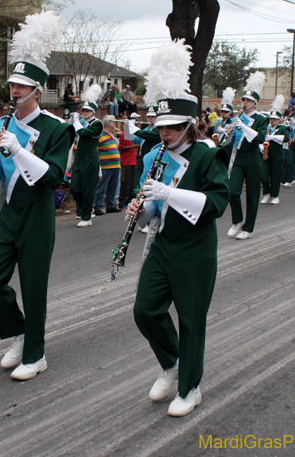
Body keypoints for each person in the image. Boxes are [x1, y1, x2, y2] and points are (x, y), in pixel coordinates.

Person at [127, 39, 229, 417]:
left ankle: (190, 386)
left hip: (196, 249)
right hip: (163, 243)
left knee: (190, 319)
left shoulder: (208, 155)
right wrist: (141, 209)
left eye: (172, 128)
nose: (164, 134)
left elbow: (217, 203)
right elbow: (152, 206)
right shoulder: (152, 154)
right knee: (145, 311)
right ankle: (171, 365)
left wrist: (169, 193)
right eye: (160, 126)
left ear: (189, 125)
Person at [0, 11, 74, 381]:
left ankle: (35, 354)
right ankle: (19, 333)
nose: (13, 92)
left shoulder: (56, 129)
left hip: (36, 215)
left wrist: (18, 151)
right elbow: (6, 171)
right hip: (8, 212)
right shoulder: (3, 123)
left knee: (34, 288)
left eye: (21, 87)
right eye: (11, 86)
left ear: (37, 90)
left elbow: (51, 179)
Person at [225, 71, 269, 240]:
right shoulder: (237, 118)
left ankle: (248, 228)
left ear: (255, 104)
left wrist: (242, 126)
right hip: (238, 158)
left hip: (253, 158)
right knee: (232, 191)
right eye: (244, 100)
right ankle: (237, 221)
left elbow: (259, 138)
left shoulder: (261, 119)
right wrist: (226, 133)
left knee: (252, 194)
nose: (245, 103)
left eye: (248, 100)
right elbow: (228, 142)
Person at [69, 86, 103, 227]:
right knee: (74, 187)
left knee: (88, 188)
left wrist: (77, 122)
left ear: (93, 112)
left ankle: (86, 216)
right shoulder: (82, 124)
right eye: (83, 110)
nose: (84, 112)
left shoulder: (98, 124)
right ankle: (87, 209)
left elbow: (83, 133)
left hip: (90, 158)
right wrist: (74, 122)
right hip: (79, 158)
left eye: (87, 110)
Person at [260, 96, 289, 205]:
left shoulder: (282, 128)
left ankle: (275, 195)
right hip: (266, 154)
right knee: (264, 175)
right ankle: (266, 194)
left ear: (279, 120)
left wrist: (272, 137)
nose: (272, 121)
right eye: (271, 119)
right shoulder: (267, 128)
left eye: (274, 119)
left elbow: (286, 138)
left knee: (276, 176)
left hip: (277, 155)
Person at [93, 115, 121, 214]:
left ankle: (110, 205)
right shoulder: (100, 135)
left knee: (113, 187)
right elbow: (95, 150)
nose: (116, 123)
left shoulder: (111, 135)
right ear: (108, 123)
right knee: (101, 187)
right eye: (114, 121)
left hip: (115, 166)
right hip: (105, 166)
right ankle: (97, 207)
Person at [118, 117, 140, 208]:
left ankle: (129, 201)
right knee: (125, 183)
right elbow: (120, 147)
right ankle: (123, 202)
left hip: (132, 161)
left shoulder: (135, 135)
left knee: (131, 183)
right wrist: (134, 146)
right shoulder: (124, 134)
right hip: (126, 161)